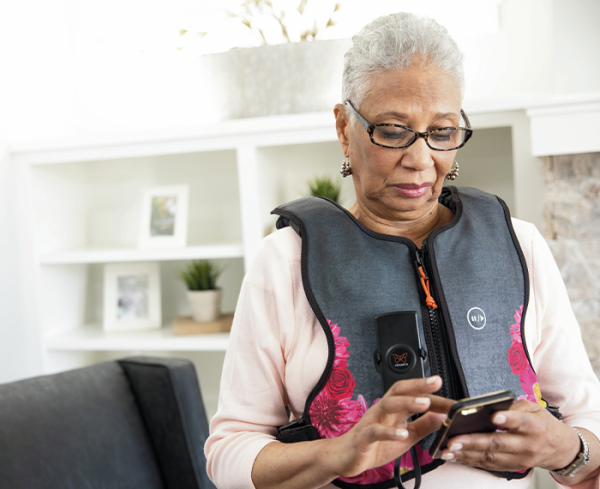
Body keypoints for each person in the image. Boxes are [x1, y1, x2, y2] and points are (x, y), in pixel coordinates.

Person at [205, 12, 600, 489]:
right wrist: (336, 454)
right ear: (343, 127)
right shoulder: (285, 261)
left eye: (442, 132)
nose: (420, 159)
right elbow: (228, 455)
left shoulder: (522, 246)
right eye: (393, 130)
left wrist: (565, 448)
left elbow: (587, 421)